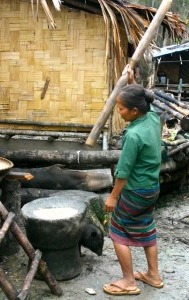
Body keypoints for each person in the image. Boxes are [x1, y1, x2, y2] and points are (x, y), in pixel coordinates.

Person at [103, 65, 163, 296]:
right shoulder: (152, 118)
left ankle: (128, 280)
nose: (119, 111)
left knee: (118, 230)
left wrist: (113, 196)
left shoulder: (133, 135)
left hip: (134, 191)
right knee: (147, 227)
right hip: (151, 189)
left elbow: (124, 172)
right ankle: (153, 275)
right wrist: (131, 84)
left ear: (134, 111)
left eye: (121, 108)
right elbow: (142, 100)